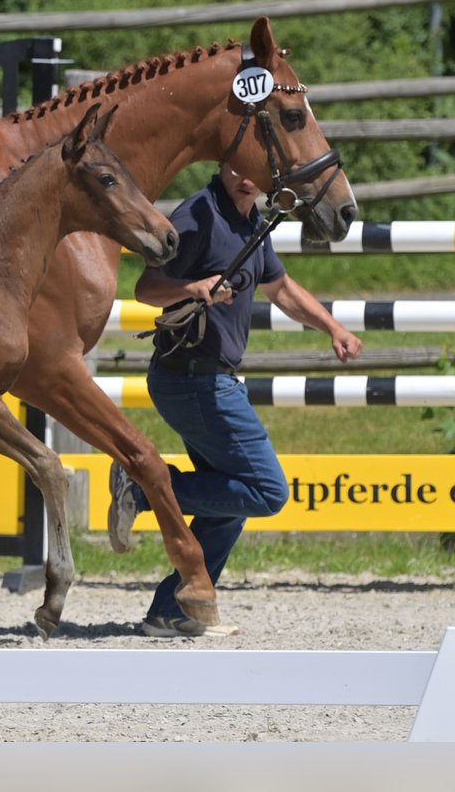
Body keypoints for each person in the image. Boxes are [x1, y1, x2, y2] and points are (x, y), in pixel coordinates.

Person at [109, 164, 363, 638]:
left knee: (229, 503)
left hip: (210, 379)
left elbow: (281, 289)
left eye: (256, 172)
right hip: (193, 381)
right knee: (267, 492)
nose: (247, 178)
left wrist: (333, 327)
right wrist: (194, 287)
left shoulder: (252, 222)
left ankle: (173, 611)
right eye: (237, 170)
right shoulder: (199, 214)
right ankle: (141, 488)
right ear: (221, 166)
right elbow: (145, 287)